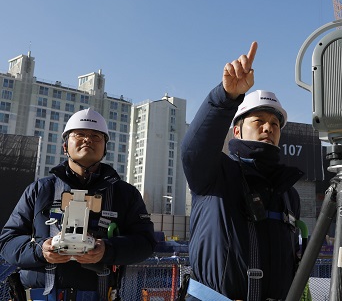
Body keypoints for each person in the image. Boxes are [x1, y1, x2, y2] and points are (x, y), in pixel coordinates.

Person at [181, 42, 304, 301]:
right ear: (237, 130)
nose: (268, 128)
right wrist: (225, 97)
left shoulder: (287, 194)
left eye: (274, 124)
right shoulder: (216, 174)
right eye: (258, 121)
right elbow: (193, 151)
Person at [0, 108, 156, 301]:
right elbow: (7, 243)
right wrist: (41, 250)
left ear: (105, 148)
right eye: (80, 134)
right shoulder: (40, 190)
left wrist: (107, 250)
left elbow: (146, 243)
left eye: (95, 136)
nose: (87, 139)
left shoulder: (125, 195)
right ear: (65, 146)